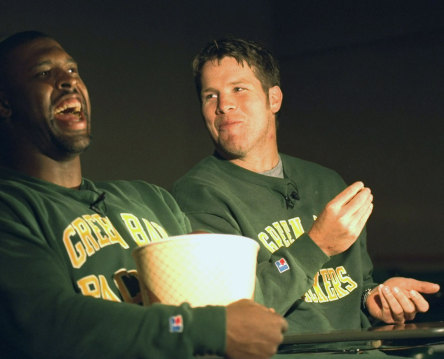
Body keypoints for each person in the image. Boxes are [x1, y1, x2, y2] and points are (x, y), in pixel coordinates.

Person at [0, 31, 288, 359]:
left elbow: (233, 313)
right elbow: (50, 325)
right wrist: (205, 327)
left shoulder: (150, 200)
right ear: (1, 103)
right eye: (44, 72)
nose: (68, 81)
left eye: (73, 70)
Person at [172, 38, 440, 347]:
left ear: (274, 99)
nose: (224, 105)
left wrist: (374, 299)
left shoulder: (326, 182)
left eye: (238, 89)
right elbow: (230, 314)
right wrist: (317, 244)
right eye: (210, 95)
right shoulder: (198, 194)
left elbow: (358, 284)